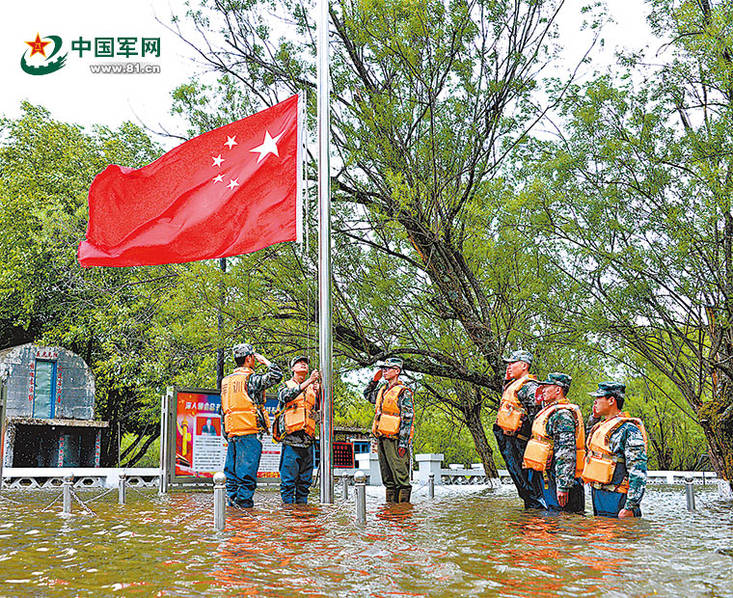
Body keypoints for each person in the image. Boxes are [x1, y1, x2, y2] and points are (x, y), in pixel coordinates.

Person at [220, 343, 283, 508]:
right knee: (246, 475)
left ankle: (231, 509)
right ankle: (244, 512)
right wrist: (266, 362)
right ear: (249, 359)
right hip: (249, 432)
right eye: (253, 358)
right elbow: (277, 375)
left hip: (232, 433)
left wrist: (227, 432)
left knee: (232, 475)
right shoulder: (251, 379)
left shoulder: (226, 381)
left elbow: (224, 410)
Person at [582, 382, 648, 518]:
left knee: (618, 538)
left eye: (599, 398)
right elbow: (587, 440)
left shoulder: (629, 429)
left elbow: (638, 469)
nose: (595, 401)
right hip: (599, 494)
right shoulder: (599, 426)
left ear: (611, 400)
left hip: (618, 498)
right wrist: (594, 417)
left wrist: (631, 506)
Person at [522, 373, 585, 512]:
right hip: (549, 476)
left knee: (561, 521)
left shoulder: (562, 415)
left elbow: (566, 452)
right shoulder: (551, 411)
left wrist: (563, 485)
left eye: (546, 387)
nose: (542, 390)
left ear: (558, 390)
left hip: (559, 479)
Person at [492, 350, 545, 509]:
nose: (508, 367)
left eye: (512, 363)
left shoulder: (529, 387)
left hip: (522, 443)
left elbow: (538, 418)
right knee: (522, 485)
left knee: (529, 486)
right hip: (510, 441)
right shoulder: (513, 385)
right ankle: (530, 516)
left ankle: (538, 518)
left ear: (524, 365)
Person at [364, 357, 414, 503]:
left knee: (401, 476)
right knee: (387, 477)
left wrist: (403, 444)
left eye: (387, 369)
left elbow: (407, 418)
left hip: (396, 440)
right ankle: (391, 510)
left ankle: (403, 512)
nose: (384, 371)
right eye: (383, 369)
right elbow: (367, 395)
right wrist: (374, 381)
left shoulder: (404, 392)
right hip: (382, 437)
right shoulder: (382, 390)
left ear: (397, 371)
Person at [274, 355, 321, 505]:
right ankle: (288, 515)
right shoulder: (285, 385)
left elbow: (320, 410)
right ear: (293, 369)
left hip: (308, 440)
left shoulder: (313, 389)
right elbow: (285, 397)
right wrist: (309, 382)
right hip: (291, 440)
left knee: (304, 483)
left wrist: (319, 392)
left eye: (305, 363)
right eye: (299, 363)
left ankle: (302, 515)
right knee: (288, 482)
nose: (303, 365)